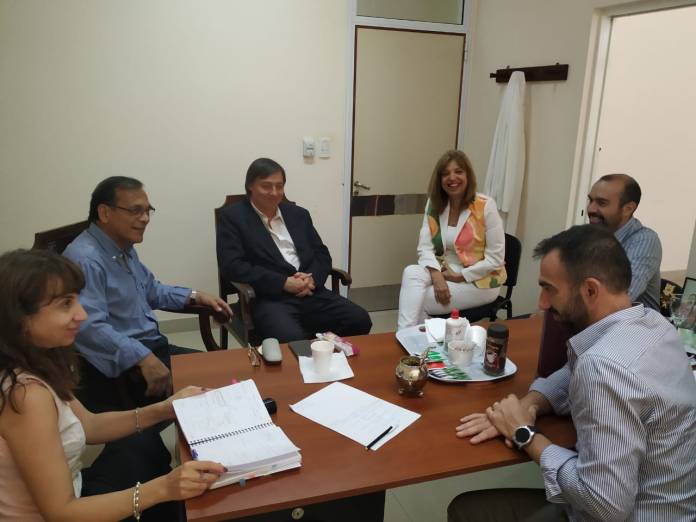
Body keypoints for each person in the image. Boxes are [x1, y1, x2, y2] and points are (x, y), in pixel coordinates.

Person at [449, 225, 696, 522]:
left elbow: (605, 505)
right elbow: (574, 370)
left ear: (590, 290)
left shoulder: (603, 367)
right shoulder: (654, 324)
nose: (541, 303)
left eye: (549, 289)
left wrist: (524, 433)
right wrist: (530, 404)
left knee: (466, 511)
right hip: (672, 508)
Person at [0, 249, 225, 521]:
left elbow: (90, 425)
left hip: (72, 489)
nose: (82, 314)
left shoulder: (38, 361)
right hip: (65, 512)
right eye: (65, 304)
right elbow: (61, 513)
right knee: (166, 488)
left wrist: (165, 408)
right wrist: (164, 488)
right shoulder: (26, 395)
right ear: (20, 318)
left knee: (142, 442)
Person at [63, 176, 232, 412]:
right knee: (221, 388)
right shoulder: (86, 259)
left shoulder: (122, 247)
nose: (144, 219)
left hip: (150, 349)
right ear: (104, 213)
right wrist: (142, 357)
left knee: (227, 373)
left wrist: (195, 295)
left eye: (147, 211)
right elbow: (89, 327)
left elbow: (151, 290)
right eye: (135, 211)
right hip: (124, 368)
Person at [216, 157, 371, 343]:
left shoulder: (298, 214)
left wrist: (312, 280)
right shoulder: (233, 218)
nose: (274, 192)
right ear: (250, 186)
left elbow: (321, 253)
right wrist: (283, 282)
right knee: (292, 340)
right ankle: (308, 356)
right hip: (270, 297)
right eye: (266, 186)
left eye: (279, 186)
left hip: (311, 292)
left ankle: (326, 356)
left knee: (360, 320)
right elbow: (232, 266)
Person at [397, 150, 506, 330]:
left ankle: (407, 337)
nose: (452, 177)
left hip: (481, 279)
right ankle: (409, 337)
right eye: (445, 173)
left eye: (458, 171)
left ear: (468, 175)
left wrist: (461, 276)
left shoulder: (485, 205)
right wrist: (437, 276)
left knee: (418, 301)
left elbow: (496, 259)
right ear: (439, 179)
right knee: (411, 272)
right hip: (445, 269)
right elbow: (425, 248)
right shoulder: (435, 203)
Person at [586, 173, 661, 311]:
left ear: (628, 209)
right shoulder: (592, 235)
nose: (590, 209)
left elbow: (618, 300)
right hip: (591, 319)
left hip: (632, 324)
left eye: (602, 203)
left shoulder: (644, 240)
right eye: (590, 201)